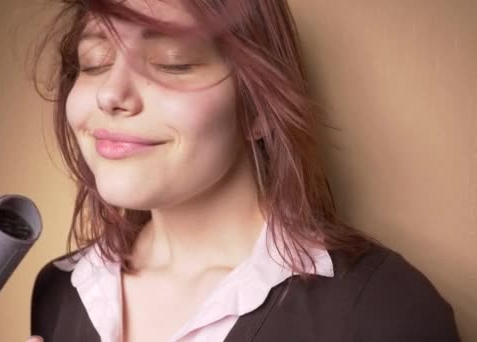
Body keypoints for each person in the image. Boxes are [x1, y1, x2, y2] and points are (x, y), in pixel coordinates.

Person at [26, 0, 460, 341]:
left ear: (258, 107)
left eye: (172, 61)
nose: (110, 94)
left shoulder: (382, 309)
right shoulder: (59, 291)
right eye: (94, 62)